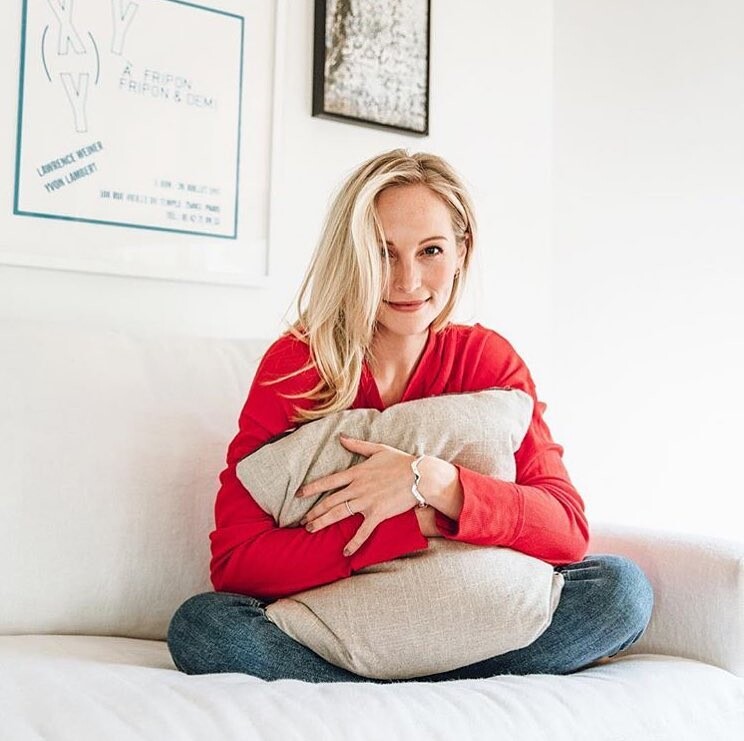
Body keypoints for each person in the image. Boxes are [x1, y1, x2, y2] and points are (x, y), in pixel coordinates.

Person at [166, 149, 654, 683]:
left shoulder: (486, 361)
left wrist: (433, 484)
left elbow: (565, 529)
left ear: (461, 252)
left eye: (431, 251)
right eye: (383, 252)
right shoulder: (298, 364)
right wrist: (409, 524)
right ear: (352, 255)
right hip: (342, 624)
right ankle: (438, 684)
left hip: (471, 615)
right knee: (204, 627)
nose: (407, 280)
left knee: (621, 591)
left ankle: (369, 690)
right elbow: (236, 561)